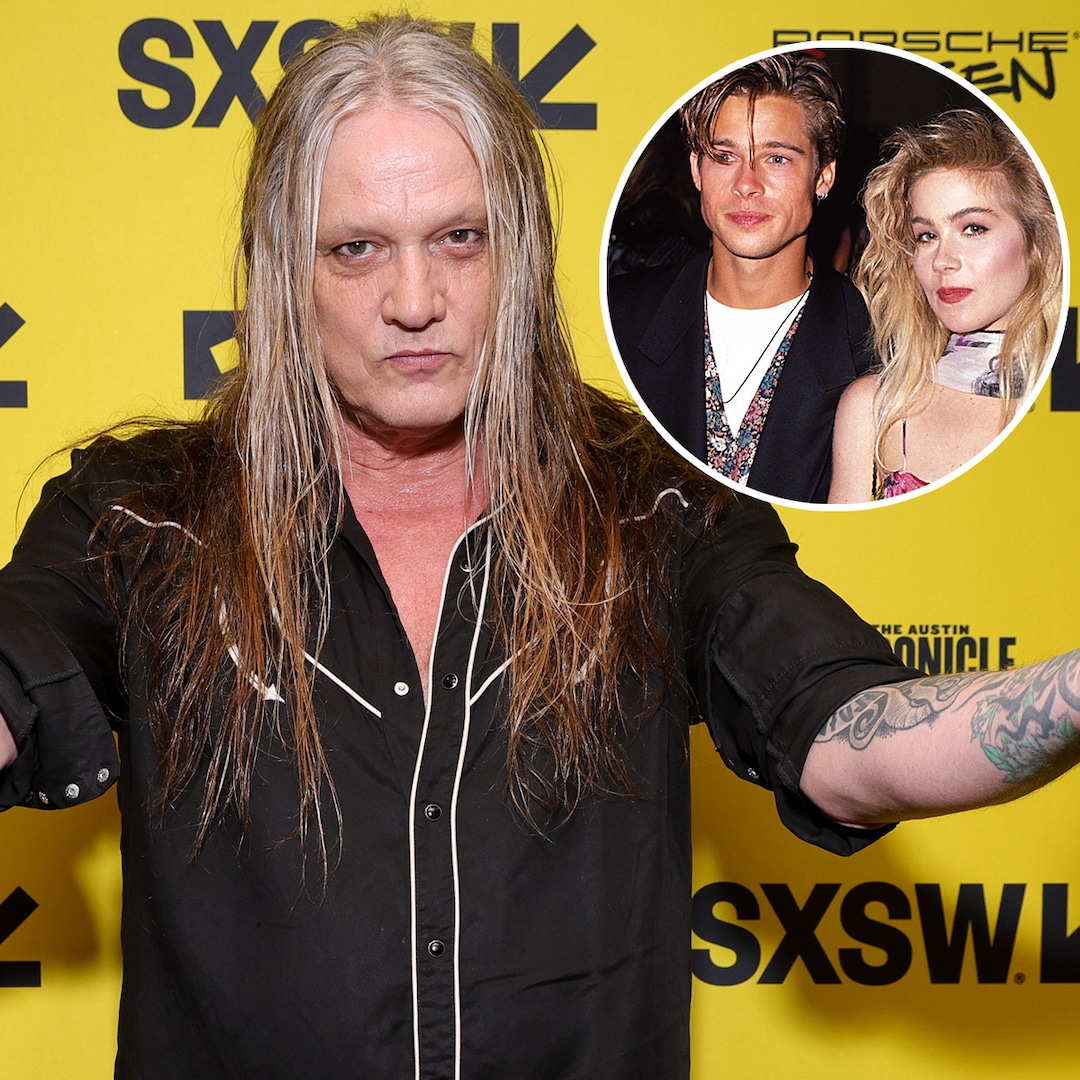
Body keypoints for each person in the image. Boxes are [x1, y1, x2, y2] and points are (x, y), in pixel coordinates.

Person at [0, 16, 1078, 1079]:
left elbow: (847, 734)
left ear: (520, 251)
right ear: (284, 267)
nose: (414, 302)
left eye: (460, 239)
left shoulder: (655, 508)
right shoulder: (140, 517)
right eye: (357, 248)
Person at [608, 52, 875, 504]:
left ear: (823, 177)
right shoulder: (615, 318)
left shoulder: (878, 348)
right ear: (696, 170)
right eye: (724, 156)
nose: (747, 183)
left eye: (777, 158)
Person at [829, 109, 1062, 502]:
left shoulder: (1067, 398)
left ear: (1036, 244)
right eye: (926, 236)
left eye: (973, 228)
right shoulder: (875, 409)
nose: (942, 260)